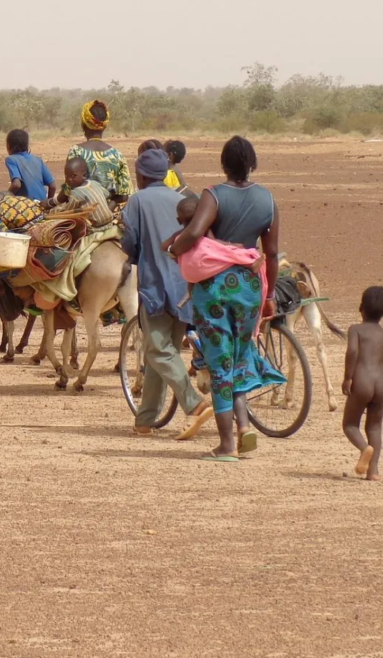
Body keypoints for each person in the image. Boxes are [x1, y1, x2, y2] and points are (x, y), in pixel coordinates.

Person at [171, 136, 285, 462]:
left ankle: (226, 445)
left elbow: (193, 233)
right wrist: (270, 295)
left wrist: (174, 250)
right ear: (252, 164)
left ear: (223, 165)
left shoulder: (214, 195)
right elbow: (272, 253)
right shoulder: (267, 200)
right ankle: (244, 426)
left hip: (215, 287)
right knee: (239, 356)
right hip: (251, 285)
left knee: (220, 362)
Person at [122, 148, 212, 438]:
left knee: (158, 352)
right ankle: (145, 420)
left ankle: (194, 404)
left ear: (141, 175)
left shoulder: (137, 201)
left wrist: (136, 258)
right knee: (161, 352)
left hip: (155, 286)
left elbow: (130, 241)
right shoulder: (181, 199)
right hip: (184, 285)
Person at [342, 286, 383, 481]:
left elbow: (352, 352)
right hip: (381, 384)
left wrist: (348, 377)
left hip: (361, 382)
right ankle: (373, 471)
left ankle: (365, 449)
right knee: (375, 427)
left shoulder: (355, 330)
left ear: (360, 307)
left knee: (350, 424)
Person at [67, 101, 133, 203]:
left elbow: (68, 190)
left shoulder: (76, 152)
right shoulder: (117, 155)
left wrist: (51, 202)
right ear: (104, 126)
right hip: (111, 214)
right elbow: (124, 195)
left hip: (82, 214)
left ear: (83, 124)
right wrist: (107, 211)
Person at [42, 158, 114, 227]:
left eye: (73, 176)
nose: (69, 179)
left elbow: (69, 211)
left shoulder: (76, 193)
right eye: (67, 176)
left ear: (84, 175)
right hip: (110, 222)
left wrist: (55, 213)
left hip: (94, 227)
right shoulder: (95, 183)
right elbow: (107, 194)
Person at [4, 129, 55, 201]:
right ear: (27, 145)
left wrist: (5, 198)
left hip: (25, 205)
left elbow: (16, 185)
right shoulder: (38, 159)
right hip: (41, 204)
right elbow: (53, 186)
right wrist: (48, 204)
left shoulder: (11, 159)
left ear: (8, 146)